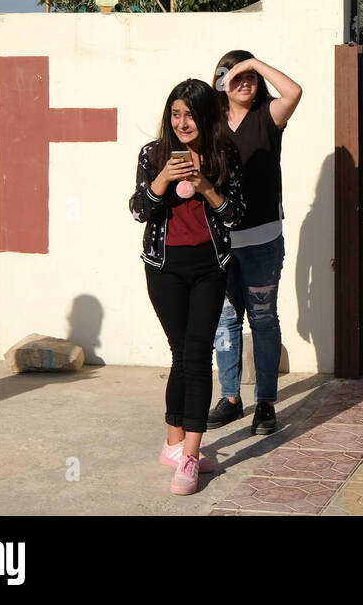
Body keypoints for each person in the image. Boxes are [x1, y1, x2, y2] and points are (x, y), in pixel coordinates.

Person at [129, 79, 244, 495]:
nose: (182, 122)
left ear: (205, 116)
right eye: (176, 114)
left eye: (190, 114)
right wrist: (162, 178)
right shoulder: (153, 154)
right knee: (182, 353)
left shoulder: (224, 153)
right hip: (163, 269)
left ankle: (191, 457)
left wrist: (207, 187)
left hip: (210, 268)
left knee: (197, 355)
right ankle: (173, 444)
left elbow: (235, 215)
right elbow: (140, 209)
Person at [207, 52, 303, 436]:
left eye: (249, 76)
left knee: (263, 319)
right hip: (221, 242)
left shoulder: (269, 117)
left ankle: (265, 403)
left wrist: (255, 63)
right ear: (221, 82)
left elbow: (294, 91)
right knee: (225, 321)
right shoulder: (211, 124)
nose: (244, 81)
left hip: (262, 241)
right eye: (235, 75)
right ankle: (231, 398)